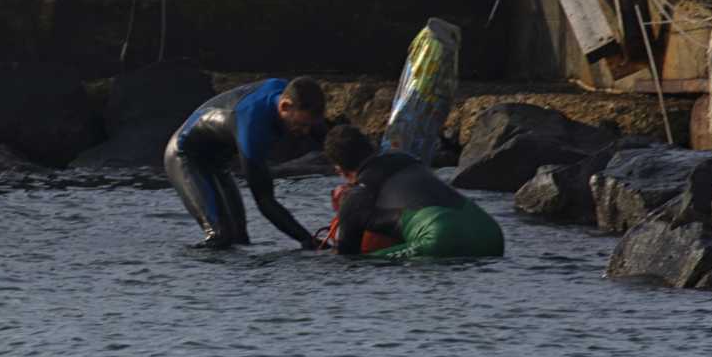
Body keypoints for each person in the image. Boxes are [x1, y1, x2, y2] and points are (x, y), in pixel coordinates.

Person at [164, 76, 327, 249]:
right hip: (185, 155)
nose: (304, 132)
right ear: (284, 106)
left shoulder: (291, 97)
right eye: (300, 125)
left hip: (218, 162)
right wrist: (307, 240)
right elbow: (265, 201)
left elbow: (333, 142)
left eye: (308, 125)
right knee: (220, 237)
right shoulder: (253, 127)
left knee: (239, 238)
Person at [322, 124, 504, 259]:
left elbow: (346, 260)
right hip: (490, 233)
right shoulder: (406, 158)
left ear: (340, 170)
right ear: (369, 146)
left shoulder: (354, 199)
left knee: (364, 263)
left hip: (441, 238)